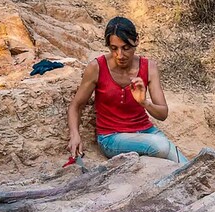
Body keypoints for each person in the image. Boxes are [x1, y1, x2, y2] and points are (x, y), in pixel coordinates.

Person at [66, 16, 187, 163]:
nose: (120, 55)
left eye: (126, 48)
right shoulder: (97, 67)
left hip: (146, 131)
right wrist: (74, 135)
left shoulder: (149, 67)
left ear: (136, 41)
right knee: (161, 146)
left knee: (187, 166)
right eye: (113, 48)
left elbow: (163, 114)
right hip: (111, 138)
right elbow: (76, 105)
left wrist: (144, 102)